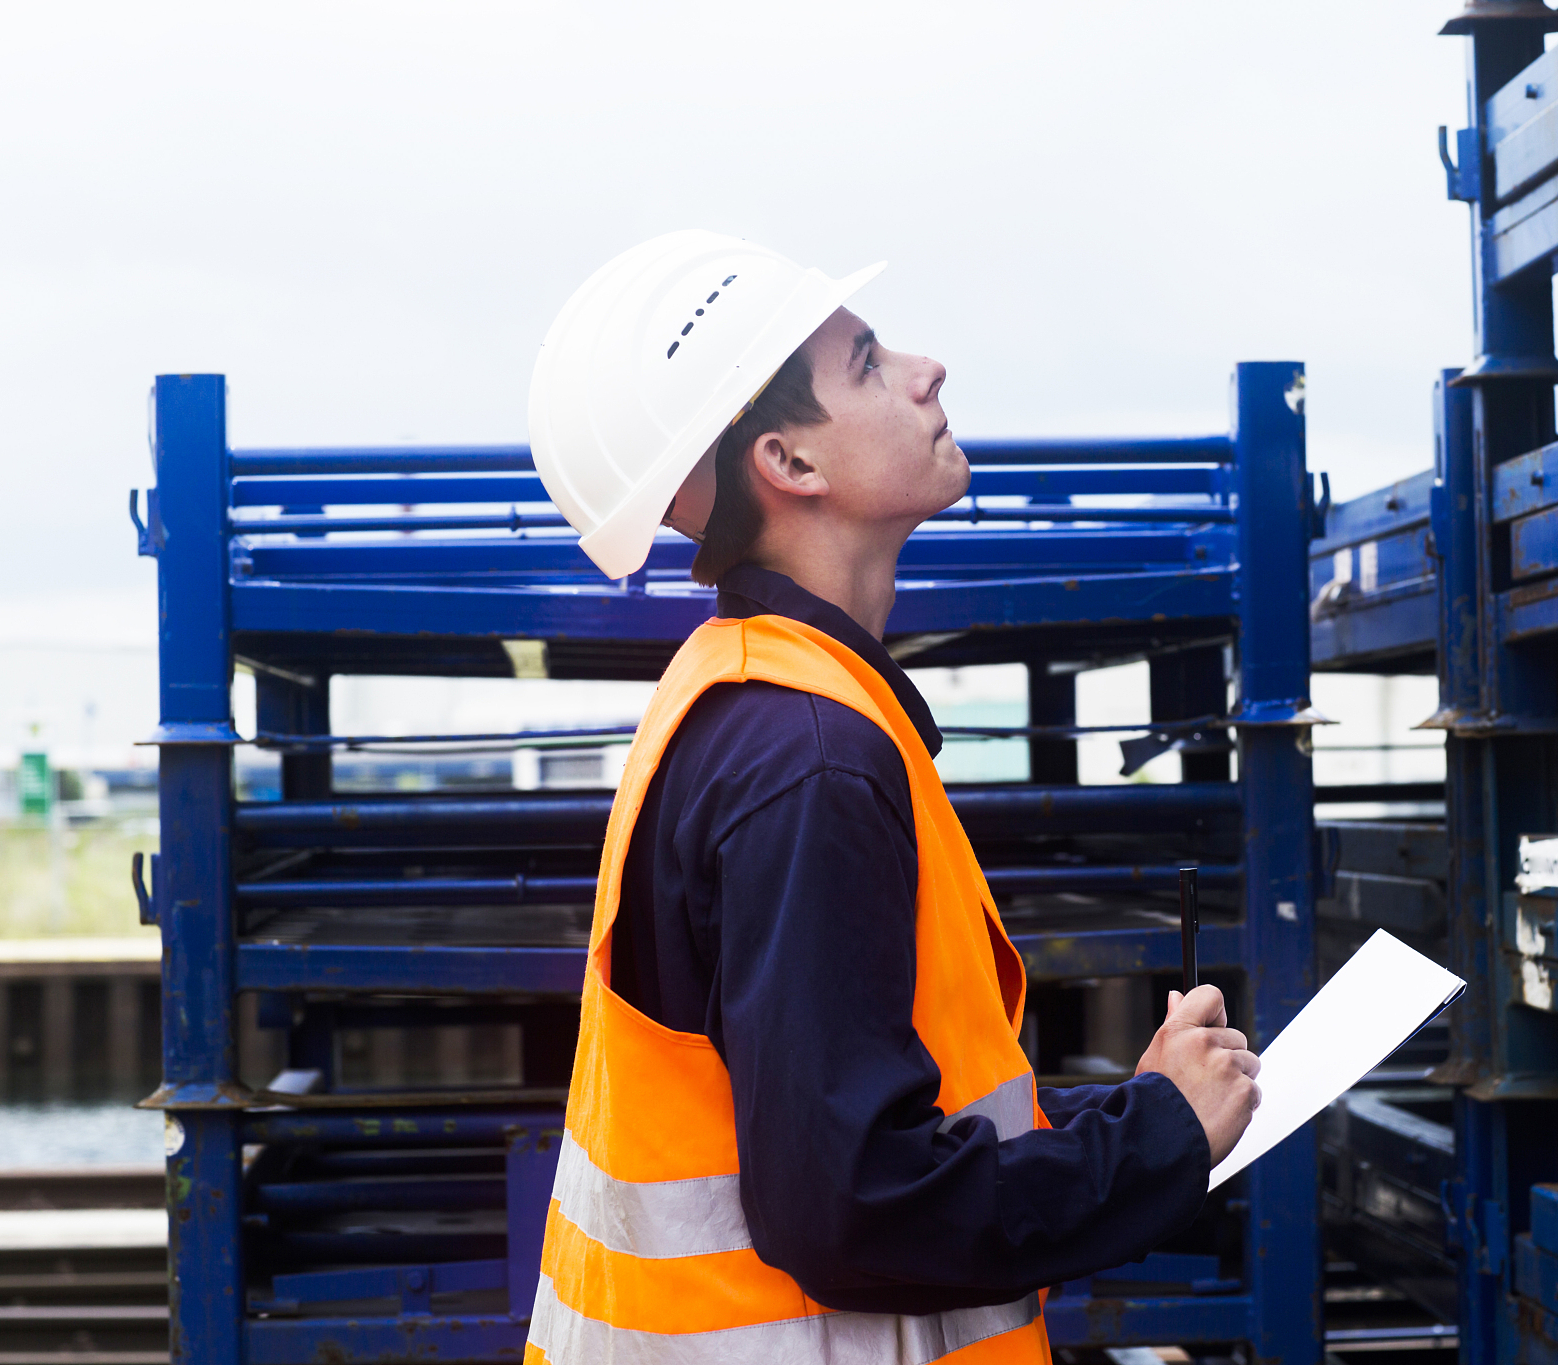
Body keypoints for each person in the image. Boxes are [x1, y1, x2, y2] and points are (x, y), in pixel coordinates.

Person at [522, 230, 1260, 1365]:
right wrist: (1156, 1140)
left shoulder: (764, 697)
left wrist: (1136, 1110)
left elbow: (868, 1137)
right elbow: (853, 1211)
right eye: (865, 362)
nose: (928, 369)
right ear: (789, 463)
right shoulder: (806, 756)